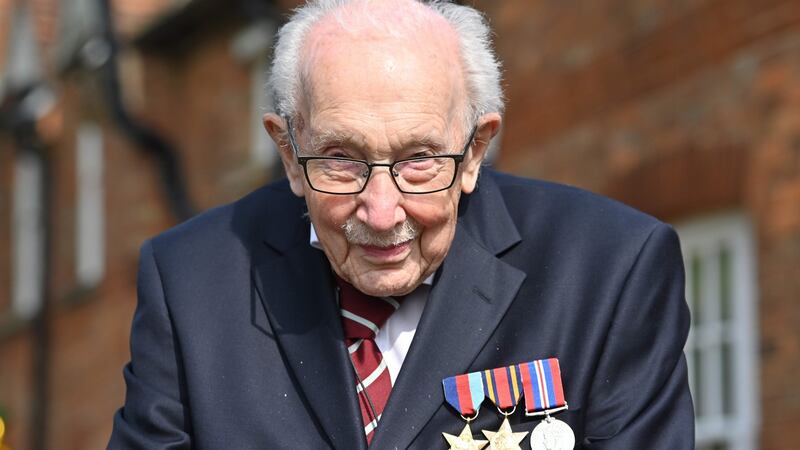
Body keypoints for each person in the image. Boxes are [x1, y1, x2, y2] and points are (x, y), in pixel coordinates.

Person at [108, 1, 694, 449]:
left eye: (419, 160)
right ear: (289, 153)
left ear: (474, 152)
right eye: (340, 159)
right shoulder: (191, 284)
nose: (382, 211)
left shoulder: (609, 270)